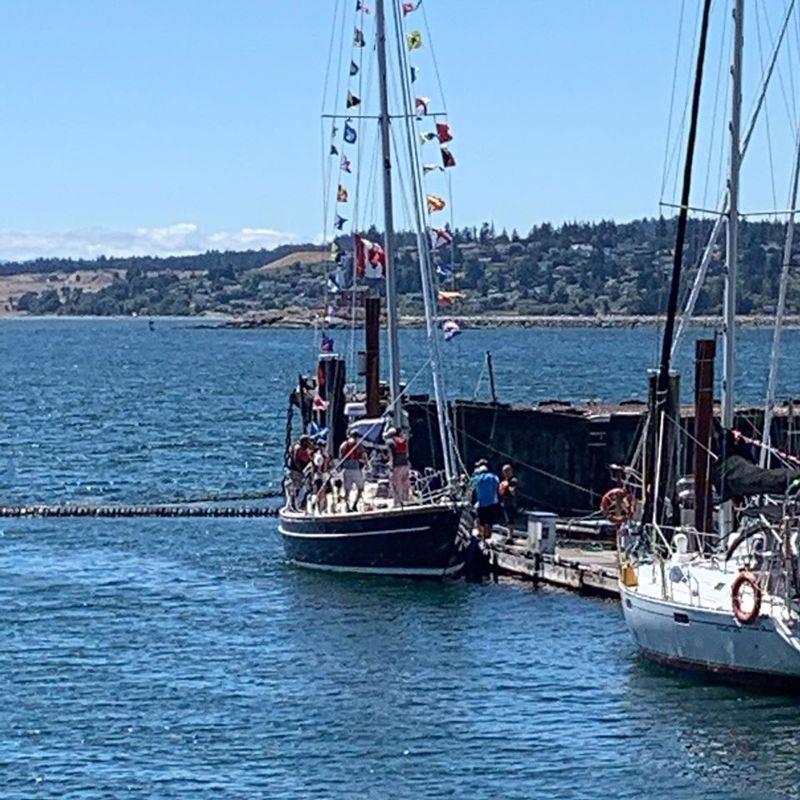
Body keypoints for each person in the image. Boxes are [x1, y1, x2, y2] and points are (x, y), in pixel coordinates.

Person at [471, 458, 501, 539]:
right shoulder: (494, 477)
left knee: (479, 519)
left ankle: (481, 535)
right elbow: (497, 488)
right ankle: (487, 536)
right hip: (492, 503)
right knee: (489, 521)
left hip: (480, 503)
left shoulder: (477, 478)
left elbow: (471, 486)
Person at [339, 432, 366, 512]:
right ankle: (354, 505)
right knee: (360, 488)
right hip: (356, 470)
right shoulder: (358, 444)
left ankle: (347, 506)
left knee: (347, 490)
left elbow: (340, 456)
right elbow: (364, 455)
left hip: (346, 470)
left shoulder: (343, 445)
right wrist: (366, 464)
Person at [385, 427, 411, 505]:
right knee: (405, 483)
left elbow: (391, 455)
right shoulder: (403, 441)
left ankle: (398, 502)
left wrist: (391, 465)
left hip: (397, 465)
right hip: (405, 464)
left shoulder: (390, 442)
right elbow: (407, 454)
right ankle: (406, 500)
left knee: (396, 484)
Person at [287, 435, 314, 510]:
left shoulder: (301, 448)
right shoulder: (298, 448)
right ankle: (294, 504)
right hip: (296, 471)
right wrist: (300, 470)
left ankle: (296, 504)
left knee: (299, 487)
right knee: (296, 488)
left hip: (297, 471)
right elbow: (296, 459)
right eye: (307, 441)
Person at [499, 464, 520, 539]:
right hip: (505, 503)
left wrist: (507, 486)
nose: (504, 473)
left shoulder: (513, 480)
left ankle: (510, 536)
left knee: (510, 520)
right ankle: (509, 535)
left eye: (506, 471)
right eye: (504, 471)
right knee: (507, 520)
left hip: (511, 503)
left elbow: (513, 492)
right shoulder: (504, 481)